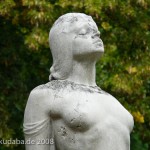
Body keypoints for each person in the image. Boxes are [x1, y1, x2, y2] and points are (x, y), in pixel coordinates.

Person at [23, 13, 134, 150]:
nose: (95, 35)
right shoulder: (46, 95)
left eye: (96, 32)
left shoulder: (112, 101)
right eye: (83, 32)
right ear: (63, 44)